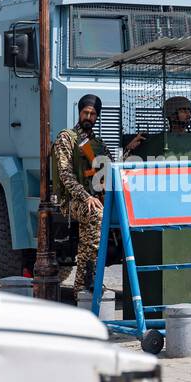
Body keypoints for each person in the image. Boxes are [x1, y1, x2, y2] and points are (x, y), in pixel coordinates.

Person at [50, 93, 110, 290]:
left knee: (88, 241)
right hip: (70, 200)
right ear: (79, 112)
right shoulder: (67, 138)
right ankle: (89, 279)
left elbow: (112, 169)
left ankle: (82, 288)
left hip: (94, 198)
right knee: (96, 215)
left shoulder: (98, 144)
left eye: (93, 114)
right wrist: (86, 197)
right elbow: (65, 174)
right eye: (86, 112)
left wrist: (129, 149)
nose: (89, 117)